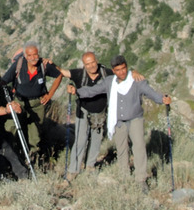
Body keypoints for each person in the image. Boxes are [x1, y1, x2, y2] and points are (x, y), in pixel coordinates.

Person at [72, 55, 171, 191]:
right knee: (122, 149)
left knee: (139, 147)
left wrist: (162, 99)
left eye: (123, 69)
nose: (121, 72)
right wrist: (77, 91)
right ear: (113, 70)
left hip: (135, 118)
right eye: (118, 70)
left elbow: (151, 93)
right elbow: (92, 91)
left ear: (127, 67)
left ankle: (141, 179)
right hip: (118, 121)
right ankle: (124, 177)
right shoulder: (109, 82)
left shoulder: (137, 81)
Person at [1, 41, 63, 160]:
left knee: (35, 134)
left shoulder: (43, 66)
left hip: (38, 104)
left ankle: (33, 159)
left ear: (38, 54)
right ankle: (12, 155)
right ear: (25, 56)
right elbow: (3, 81)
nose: (33, 58)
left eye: (35, 54)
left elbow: (59, 75)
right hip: (19, 102)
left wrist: (50, 94)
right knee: (12, 126)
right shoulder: (18, 65)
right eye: (29, 55)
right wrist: (10, 101)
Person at [65, 52, 110, 175]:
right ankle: (74, 170)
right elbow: (62, 72)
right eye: (88, 64)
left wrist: (133, 73)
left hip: (100, 112)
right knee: (80, 140)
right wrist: (48, 63)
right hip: (83, 110)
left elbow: (122, 74)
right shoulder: (79, 74)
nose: (91, 66)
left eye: (93, 62)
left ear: (97, 61)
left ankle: (90, 165)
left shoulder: (107, 73)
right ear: (84, 65)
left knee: (96, 139)